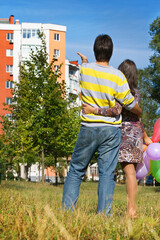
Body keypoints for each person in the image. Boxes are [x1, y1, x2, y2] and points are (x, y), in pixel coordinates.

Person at [62, 34, 142, 215]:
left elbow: (87, 71)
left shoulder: (85, 70)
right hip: (110, 130)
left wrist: (85, 62)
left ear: (95, 50)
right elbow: (129, 104)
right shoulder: (118, 76)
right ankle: (104, 215)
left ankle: (66, 212)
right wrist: (139, 111)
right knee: (107, 173)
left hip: (88, 128)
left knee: (76, 170)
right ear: (111, 52)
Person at [82, 59, 152, 218]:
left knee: (122, 172)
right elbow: (138, 118)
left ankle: (130, 210)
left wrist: (94, 110)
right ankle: (131, 209)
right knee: (131, 173)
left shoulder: (123, 92)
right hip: (135, 135)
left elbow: (115, 111)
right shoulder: (137, 92)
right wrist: (145, 137)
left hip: (124, 134)